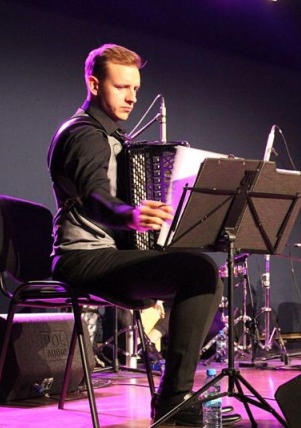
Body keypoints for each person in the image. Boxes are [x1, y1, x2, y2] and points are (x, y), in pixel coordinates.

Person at [47, 43, 241, 426]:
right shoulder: (83, 135)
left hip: (104, 254)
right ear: (94, 84)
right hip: (80, 258)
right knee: (199, 273)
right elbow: (94, 197)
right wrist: (130, 215)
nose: (132, 97)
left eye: (135, 88)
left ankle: (174, 393)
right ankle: (174, 399)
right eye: (122, 87)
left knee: (198, 272)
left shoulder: (114, 138)